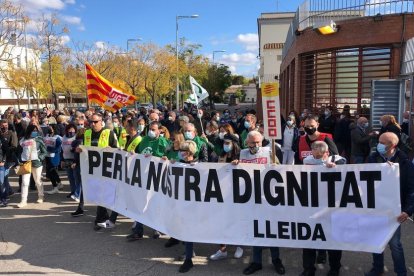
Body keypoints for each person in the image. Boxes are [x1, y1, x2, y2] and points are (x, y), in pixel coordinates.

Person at [233, 131, 285, 275]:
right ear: (247, 142)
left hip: (267, 197)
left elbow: (281, 170)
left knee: (271, 231)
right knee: (255, 230)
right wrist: (235, 164)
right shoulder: (242, 153)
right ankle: (256, 262)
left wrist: (276, 165)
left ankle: (276, 260)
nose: (256, 145)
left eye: (258, 142)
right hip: (250, 199)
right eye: (252, 142)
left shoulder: (270, 151)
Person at [365, 132, 414, 276]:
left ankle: (401, 272)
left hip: (394, 211)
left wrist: (408, 210)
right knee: (376, 241)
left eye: (382, 142)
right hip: (376, 208)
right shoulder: (373, 159)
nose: (378, 144)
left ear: (392, 145)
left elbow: (412, 189)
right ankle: (377, 269)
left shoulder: (405, 162)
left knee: (395, 244)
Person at [301, 141, 345, 276]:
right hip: (312, 205)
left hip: (332, 206)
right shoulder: (307, 160)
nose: (316, 159)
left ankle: (334, 268)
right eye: (315, 156)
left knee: (333, 239)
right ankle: (308, 269)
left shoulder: (337, 160)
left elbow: (346, 167)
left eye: (320, 157)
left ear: (327, 153)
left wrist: (335, 167)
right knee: (309, 238)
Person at [75, 113, 118, 229]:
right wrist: (80, 149)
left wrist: (112, 150)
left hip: (105, 169)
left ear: (101, 121)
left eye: (95, 122)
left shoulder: (109, 133)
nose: (93, 124)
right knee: (98, 194)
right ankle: (102, 217)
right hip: (92, 170)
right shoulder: (87, 133)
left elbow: (118, 150)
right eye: (91, 122)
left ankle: (100, 219)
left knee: (102, 194)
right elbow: (84, 148)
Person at [98, 120, 143, 230]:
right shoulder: (129, 138)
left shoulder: (139, 140)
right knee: (119, 197)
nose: (124, 128)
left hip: (134, 174)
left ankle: (138, 221)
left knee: (134, 199)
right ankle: (112, 221)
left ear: (132, 128)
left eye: (126, 126)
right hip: (126, 173)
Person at [209, 133, 244, 261]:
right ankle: (222, 249)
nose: (225, 145)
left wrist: (240, 164)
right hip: (222, 193)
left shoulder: (241, 156)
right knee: (221, 221)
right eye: (224, 143)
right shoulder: (221, 155)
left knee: (236, 220)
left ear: (234, 144)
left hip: (237, 194)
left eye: (228, 143)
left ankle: (239, 246)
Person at [175, 140, 200, 273]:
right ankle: (188, 257)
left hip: (196, 205)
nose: (179, 153)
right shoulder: (179, 164)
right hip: (184, 204)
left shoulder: (200, 166)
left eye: (182, 151)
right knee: (186, 230)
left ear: (189, 153)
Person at [16, 125, 47, 208]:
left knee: (37, 181)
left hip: (37, 163)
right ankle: (23, 200)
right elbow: (19, 151)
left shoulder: (39, 139)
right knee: (25, 182)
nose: (35, 132)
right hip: (26, 163)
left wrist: (39, 158)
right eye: (33, 130)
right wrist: (19, 160)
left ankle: (41, 196)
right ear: (29, 131)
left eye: (36, 130)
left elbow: (44, 152)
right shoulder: (22, 140)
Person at [61, 123, 79, 201]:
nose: (71, 131)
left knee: (76, 177)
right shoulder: (64, 137)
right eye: (69, 129)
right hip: (66, 159)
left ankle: (77, 193)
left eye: (73, 129)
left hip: (74, 159)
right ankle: (72, 191)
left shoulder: (76, 137)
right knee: (70, 177)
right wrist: (62, 160)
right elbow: (61, 149)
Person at [44, 125, 63, 195]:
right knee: (52, 171)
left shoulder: (58, 137)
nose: (49, 128)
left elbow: (58, 148)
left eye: (51, 127)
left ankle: (55, 187)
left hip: (54, 156)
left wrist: (50, 149)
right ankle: (59, 183)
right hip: (47, 155)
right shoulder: (47, 135)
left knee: (51, 171)